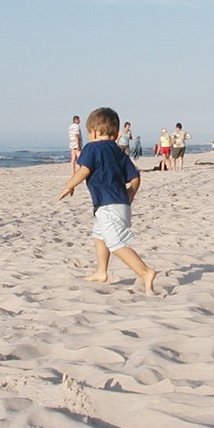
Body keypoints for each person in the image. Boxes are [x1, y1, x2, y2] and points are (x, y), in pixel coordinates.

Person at [59, 107, 157, 294]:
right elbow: (135, 177)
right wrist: (131, 194)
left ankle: (145, 272)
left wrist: (69, 185)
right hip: (120, 204)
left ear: (94, 132)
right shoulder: (119, 151)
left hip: (108, 206)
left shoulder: (92, 148)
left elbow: (84, 170)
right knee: (99, 235)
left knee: (116, 243)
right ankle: (101, 271)